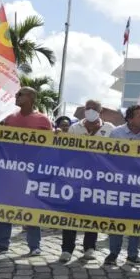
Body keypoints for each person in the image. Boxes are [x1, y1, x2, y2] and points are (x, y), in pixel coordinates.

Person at [0, 87, 52, 256]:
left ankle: (34, 245)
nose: (16, 97)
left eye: (20, 94)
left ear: (31, 98)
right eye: (16, 94)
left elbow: (50, 147)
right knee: (4, 207)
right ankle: (1, 244)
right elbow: (0, 141)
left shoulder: (43, 120)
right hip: (10, 169)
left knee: (31, 207)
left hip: (32, 171)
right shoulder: (9, 118)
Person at [105, 105, 140, 266]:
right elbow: (109, 158)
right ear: (130, 119)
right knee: (117, 219)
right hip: (120, 184)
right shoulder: (117, 133)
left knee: (137, 220)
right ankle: (113, 253)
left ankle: (133, 254)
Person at [59, 101, 113, 263]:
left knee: (92, 213)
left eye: (94, 109)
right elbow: (66, 150)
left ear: (100, 111)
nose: (90, 111)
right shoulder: (75, 128)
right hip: (76, 177)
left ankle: (90, 247)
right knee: (70, 214)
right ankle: (67, 249)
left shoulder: (109, 129)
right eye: (87, 108)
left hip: (99, 179)